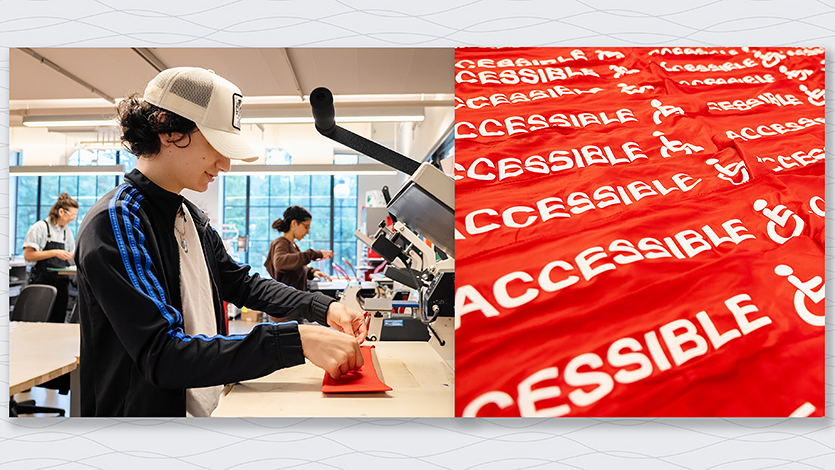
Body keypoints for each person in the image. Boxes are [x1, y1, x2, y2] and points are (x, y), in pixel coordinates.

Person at [74, 67, 367, 417]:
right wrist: (295, 340)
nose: (225, 164)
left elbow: (241, 283)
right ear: (168, 129)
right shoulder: (117, 222)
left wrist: (321, 307)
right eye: (216, 144)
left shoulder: (188, 217)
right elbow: (162, 354)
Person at [22, 193, 78, 323]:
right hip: (42, 282)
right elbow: (28, 255)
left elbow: (70, 258)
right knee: (38, 320)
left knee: (58, 321)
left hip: (61, 285)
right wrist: (54, 252)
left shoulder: (67, 232)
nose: (74, 219)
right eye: (72, 215)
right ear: (61, 212)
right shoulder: (40, 228)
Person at [264, 205, 334, 291]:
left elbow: (295, 267)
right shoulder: (281, 243)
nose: (308, 232)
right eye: (306, 227)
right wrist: (314, 254)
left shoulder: (293, 245)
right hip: (287, 300)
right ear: (294, 224)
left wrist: (312, 272)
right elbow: (280, 262)